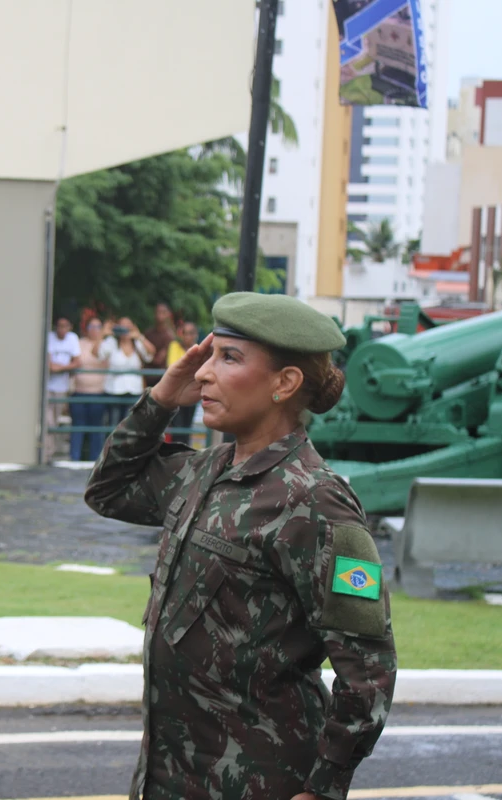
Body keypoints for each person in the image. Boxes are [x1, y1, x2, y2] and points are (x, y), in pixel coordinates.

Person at [85, 292, 396, 800]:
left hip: (260, 783)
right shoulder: (203, 471)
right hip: (169, 776)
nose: (204, 373)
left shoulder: (316, 500)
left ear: (284, 383)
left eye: (228, 358)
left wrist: (325, 785)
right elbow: (107, 489)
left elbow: (368, 668)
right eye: (208, 355)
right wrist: (162, 398)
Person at [69, 317, 111, 462]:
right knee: (77, 427)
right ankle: (74, 459)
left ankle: (95, 460)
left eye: (98, 327)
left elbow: (98, 355)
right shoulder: (79, 343)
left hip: (98, 393)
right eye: (91, 327)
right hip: (79, 392)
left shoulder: (107, 345)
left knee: (96, 429)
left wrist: (101, 337)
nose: (94, 330)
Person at [101, 316, 155, 426]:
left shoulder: (137, 343)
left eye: (127, 326)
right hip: (114, 390)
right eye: (122, 326)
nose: (124, 329)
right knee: (113, 424)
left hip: (134, 390)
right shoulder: (111, 342)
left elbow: (152, 352)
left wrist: (139, 336)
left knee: (130, 425)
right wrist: (103, 334)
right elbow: (96, 353)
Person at [45, 316, 81, 461]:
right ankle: (47, 453)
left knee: (54, 420)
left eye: (65, 326)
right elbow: (48, 363)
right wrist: (63, 367)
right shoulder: (49, 337)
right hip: (47, 386)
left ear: (70, 327)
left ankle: (50, 451)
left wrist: (60, 368)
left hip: (62, 387)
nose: (62, 329)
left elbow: (77, 362)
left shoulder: (72, 338)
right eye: (59, 326)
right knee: (48, 420)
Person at [165, 320, 201, 445]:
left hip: (191, 392)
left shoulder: (199, 349)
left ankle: (186, 452)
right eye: (185, 333)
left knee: (187, 426)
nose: (188, 336)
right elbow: (172, 366)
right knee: (177, 426)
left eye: (191, 333)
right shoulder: (174, 346)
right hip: (176, 393)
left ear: (196, 335)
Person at [142, 302, 176, 388]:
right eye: (157, 312)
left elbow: (158, 360)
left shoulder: (169, 336)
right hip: (147, 377)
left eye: (162, 312)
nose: (159, 315)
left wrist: (148, 356)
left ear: (168, 314)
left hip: (161, 377)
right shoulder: (148, 333)